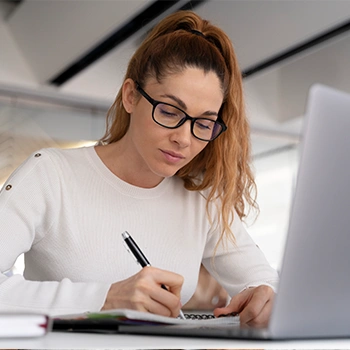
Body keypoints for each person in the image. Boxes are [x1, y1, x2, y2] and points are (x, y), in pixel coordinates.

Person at [0, 10, 278, 327]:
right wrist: (104, 299)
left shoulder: (200, 198)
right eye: (171, 112)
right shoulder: (50, 174)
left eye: (204, 123)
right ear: (131, 96)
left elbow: (267, 285)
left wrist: (266, 297)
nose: (184, 139)